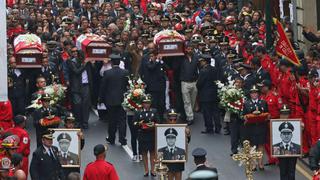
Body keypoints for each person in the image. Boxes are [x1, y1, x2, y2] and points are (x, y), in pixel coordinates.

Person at [99, 53, 129, 146]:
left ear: (111, 63)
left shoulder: (107, 73)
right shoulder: (125, 72)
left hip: (110, 100)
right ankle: (122, 139)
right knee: (122, 120)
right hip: (122, 99)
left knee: (112, 120)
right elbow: (128, 86)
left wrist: (101, 99)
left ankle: (111, 138)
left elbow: (103, 87)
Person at [242, 85, 268, 170]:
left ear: (258, 94)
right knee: (252, 146)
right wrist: (247, 117)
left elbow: (267, 113)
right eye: (252, 93)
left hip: (261, 127)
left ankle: (260, 163)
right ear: (250, 95)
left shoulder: (263, 102)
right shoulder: (246, 103)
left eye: (255, 93)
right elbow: (243, 115)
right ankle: (253, 164)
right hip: (251, 127)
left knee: (261, 145)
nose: (254, 95)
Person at [67, 46, 93, 129]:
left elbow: (93, 72)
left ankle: (85, 122)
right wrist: (84, 64)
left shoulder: (87, 63)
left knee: (86, 105)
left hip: (86, 85)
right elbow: (76, 71)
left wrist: (92, 63)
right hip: (76, 87)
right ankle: (78, 121)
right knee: (77, 104)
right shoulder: (71, 62)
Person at [162, 108, 191, 180]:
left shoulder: (182, 127)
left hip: (178, 159)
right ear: (167, 118)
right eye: (170, 119)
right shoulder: (162, 127)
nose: (172, 121)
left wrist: (188, 134)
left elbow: (187, 141)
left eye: (174, 119)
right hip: (166, 159)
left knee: (178, 177)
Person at [134, 95, 158, 177]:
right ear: (142, 104)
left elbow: (158, 121)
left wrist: (154, 125)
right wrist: (139, 123)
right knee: (144, 153)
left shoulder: (154, 111)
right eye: (145, 103)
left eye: (148, 103)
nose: (147, 105)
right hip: (142, 135)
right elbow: (134, 123)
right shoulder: (138, 112)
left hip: (151, 134)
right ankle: (146, 170)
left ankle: (153, 170)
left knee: (152, 153)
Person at [196, 54, 221, 134]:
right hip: (214, 94)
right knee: (215, 112)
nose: (201, 63)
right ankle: (218, 127)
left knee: (207, 112)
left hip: (205, 95)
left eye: (202, 61)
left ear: (204, 62)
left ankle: (209, 128)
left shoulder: (203, 71)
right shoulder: (215, 69)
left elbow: (199, 83)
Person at [276, 105, 299, 180]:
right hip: (281, 153)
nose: (285, 116)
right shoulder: (275, 125)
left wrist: (301, 128)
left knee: (291, 171)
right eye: (283, 114)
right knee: (283, 172)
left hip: (293, 153)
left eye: (286, 114)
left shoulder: (296, 124)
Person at [180, 43, 198, 125]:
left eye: (191, 49)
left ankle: (191, 113)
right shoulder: (182, 58)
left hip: (194, 82)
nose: (189, 50)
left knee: (192, 101)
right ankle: (190, 117)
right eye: (188, 49)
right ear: (186, 49)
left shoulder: (196, 58)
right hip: (185, 83)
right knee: (187, 101)